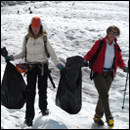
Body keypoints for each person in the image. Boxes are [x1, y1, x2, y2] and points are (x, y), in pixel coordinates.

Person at [5, 16, 64, 127]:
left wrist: (58, 64)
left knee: (42, 91)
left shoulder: (44, 38)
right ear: (30, 27)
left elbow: (52, 53)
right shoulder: (27, 38)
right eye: (33, 27)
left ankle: (43, 110)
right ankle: (28, 117)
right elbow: (23, 53)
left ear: (40, 27)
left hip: (42, 68)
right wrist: (12, 57)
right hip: (31, 68)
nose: (35, 30)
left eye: (37, 27)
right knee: (30, 93)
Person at [83, 25, 129, 129]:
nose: (113, 34)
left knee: (102, 95)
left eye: (116, 33)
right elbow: (90, 54)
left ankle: (97, 117)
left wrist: (124, 67)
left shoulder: (116, 47)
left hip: (109, 74)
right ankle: (109, 116)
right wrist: (84, 60)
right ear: (107, 32)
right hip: (98, 73)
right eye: (111, 32)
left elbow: (119, 61)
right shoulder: (100, 43)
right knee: (104, 95)